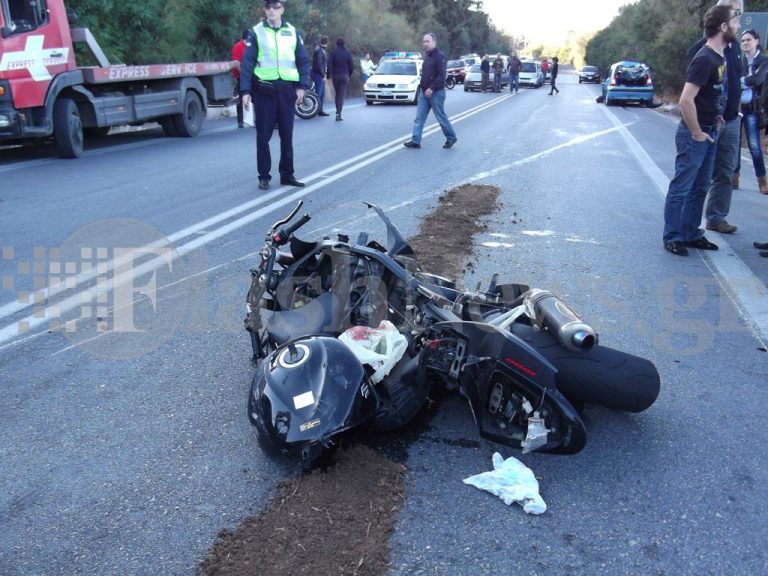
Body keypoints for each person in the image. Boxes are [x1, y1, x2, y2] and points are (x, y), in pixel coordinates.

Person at [663, 3, 740, 256]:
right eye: (735, 20)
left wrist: (717, 118)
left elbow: (713, 94)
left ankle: (691, 233)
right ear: (723, 26)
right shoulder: (705, 58)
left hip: (711, 131)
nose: (739, 24)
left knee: (701, 187)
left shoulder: (721, 56)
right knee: (682, 187)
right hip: (695, 134)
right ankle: (673, 236)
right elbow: (686, 100)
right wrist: (696, 132)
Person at [241, 0, 311, 191]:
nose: (271, 10)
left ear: (282, 10)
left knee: (287, 135)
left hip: (287, 91)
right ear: (264, 9)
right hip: (264, 91)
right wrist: (245, 91)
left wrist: (302, 87)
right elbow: (247, 63)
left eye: (276, 7)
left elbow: (303, 61)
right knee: (263, 137)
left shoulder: (292, 31)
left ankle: (287, 175)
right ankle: (264, 176)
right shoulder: (256, 32)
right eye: (268, 7)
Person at [688, 0, 743, 235]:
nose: (738, 19)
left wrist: (737, 109)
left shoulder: (736, 48)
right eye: (734, 12)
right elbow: (689, 93)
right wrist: (697, 128)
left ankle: (717, 218)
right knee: (698, 176)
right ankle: (686, 226)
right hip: (708, 123)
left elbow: (736, 80)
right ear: (722, 22)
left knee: (725, 171)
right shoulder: (701, 49)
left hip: (730, 119)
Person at [403, 33, 457, 150]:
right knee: (419, 118)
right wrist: (424, 88)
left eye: (427, 41)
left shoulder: (440, 56)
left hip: (436, 93)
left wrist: (431, 88)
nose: (425, 44)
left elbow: (441, 76)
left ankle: (451, 137)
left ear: (434, 42)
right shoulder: (427, 57)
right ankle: (416, 141)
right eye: (424, 42)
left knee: (440, 117)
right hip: (424, 93)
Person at [736, 29, 768, 194]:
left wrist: (740, 81)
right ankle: (735, 177)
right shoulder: (739, 61)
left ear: (756, 41)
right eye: (743, 40)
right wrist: (743, 81)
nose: (745, 43)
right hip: (736, 107)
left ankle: (762, 181)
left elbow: (757, 79)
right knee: (734, 144)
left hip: (753, 109)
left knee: (754, 145)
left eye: (748, 40)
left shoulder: (764, 61)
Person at [327, 37, 354, 121]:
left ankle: (337, 112)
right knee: (341, 94)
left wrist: (328, 77)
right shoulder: (347, 53)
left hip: (335, 76)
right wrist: (349, 74)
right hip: (345, 75)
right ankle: (338, 113)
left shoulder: (333, 53)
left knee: (337, 94)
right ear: (344, 44)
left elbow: (329, 65)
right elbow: (351, 66)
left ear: (336, 44)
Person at [231, 30, 249, 128]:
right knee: (241, 97)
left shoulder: (251, 46)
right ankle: (240, 121)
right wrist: (243, 75)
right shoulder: (238, 46)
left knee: (255, 98)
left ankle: (255, 119)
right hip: (240, 76)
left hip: (252, 76)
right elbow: (236, 62)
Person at [311, 36, 330, 117]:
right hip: (318, 74)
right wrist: (323, 75)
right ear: (327, 42)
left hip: (319, 73)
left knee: (321, 94)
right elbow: (319, 64)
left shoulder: (320, 49)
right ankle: (316, 111)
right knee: (319, 93)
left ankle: (320, 110)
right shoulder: (320, 50)